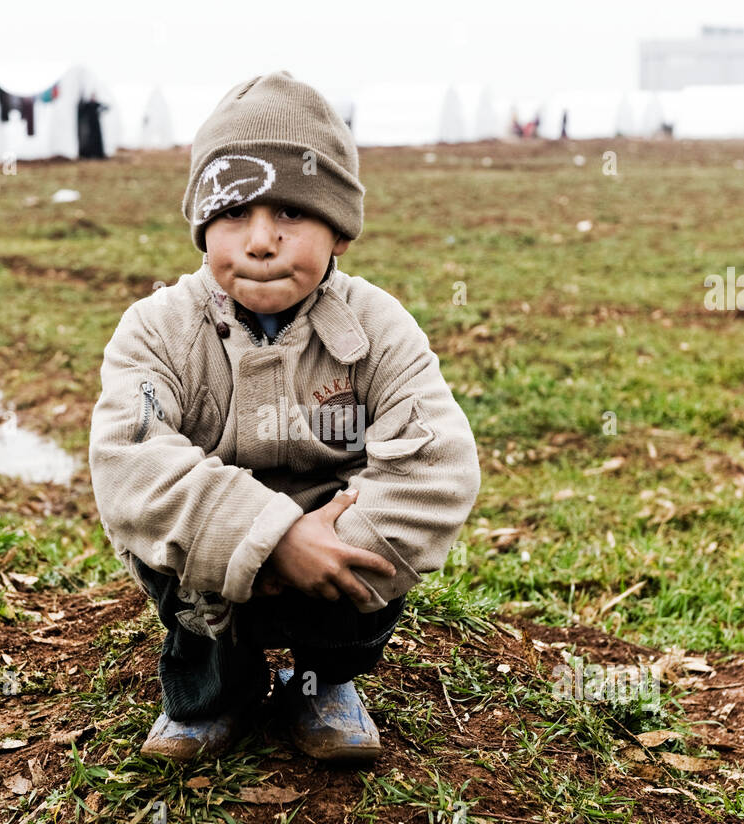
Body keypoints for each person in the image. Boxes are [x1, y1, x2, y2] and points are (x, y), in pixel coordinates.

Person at [88, 71, 482, 764]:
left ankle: (322, 683)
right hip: (210, 563)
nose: (260, 240)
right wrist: (268, 541)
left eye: (291, 214)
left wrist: (324, 546)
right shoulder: (156, 328)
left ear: (340, 233)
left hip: (337, 552)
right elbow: (132, 465)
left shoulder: (379, 327)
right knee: (182, 570)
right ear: (203, 226)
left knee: (371, 557)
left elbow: (436, 469)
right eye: (234, 214)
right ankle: (213, 695)